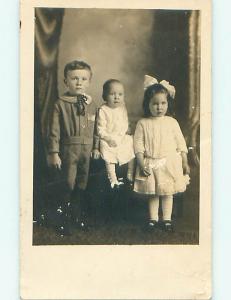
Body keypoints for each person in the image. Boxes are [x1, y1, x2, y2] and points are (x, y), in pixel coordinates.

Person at [47, 60, 100, 235]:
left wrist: (96, 147)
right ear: (66, 81)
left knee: (81, 183)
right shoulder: (60, 104)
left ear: (89, 82)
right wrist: (54, 152)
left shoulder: (91, 104)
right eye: (74, 78)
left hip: (87, 149)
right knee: (67, 183)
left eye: (84, 79)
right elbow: (54, 131)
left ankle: (76, 216)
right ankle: (62, 219)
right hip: (69, 150)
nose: (79, 82)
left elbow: (97, 128)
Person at [133, 75, 190, 232]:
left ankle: (167, 219)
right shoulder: (143, 123)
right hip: (151, 162)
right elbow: (138, 145)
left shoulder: (172, 122)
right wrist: (140, 161)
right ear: (148, 104)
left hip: (169, 162)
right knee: (154, 192)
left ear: (168, 104)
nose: (159, 107)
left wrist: (184, 161)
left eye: (163, 103)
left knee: (167, 192)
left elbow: (180, 142)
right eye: (155, 104)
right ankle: (153, 219)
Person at [97, 79, 135, 189]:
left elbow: (124, 122)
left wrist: (126, 129)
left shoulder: (122, 108)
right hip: (108, 137)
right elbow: (100, 129)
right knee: (106, 149)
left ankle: (130, 173)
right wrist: (108, 139)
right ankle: (112, 178)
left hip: (121, 136)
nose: (116, 97)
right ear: (105, 96)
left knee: (130, 142)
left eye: (120, 94)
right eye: (112, 94)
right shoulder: (103, 110)